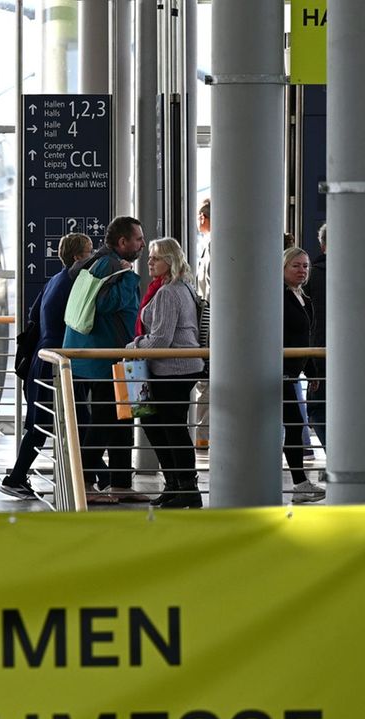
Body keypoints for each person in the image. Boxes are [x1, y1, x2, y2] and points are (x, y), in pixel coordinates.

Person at [0, 233, 90, 500]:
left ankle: (90, 477)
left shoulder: (54, 281)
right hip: (58, 361)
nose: (93, 255)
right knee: (72, 423)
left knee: (44, 422)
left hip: (42, 358)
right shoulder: (75, 283)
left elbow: (33, 314)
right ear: (78, 257)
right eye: (89, 251)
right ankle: (18, 478)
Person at [63, 216, 146, 503]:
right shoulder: (110, 265)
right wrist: (129, 277)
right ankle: (85, 483)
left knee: (122, 419)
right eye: (138, 239)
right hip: (104, 356)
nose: (142, 244)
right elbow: (106, 303)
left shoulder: (100, 262)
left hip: (114, 355)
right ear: (122, 242)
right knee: (105, 418)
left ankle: (120, 483)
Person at [125, 238, 205, 508]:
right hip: (174, 368)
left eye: (156, 258)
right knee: (158, 425)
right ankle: (174, 485)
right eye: (149, 257)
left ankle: (186, 487)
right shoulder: (181, 287)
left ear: (170, 261)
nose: (149, 261)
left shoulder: (169, 292)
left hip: (173, 370)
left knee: (171, 428)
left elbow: (161, 339)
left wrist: (132, 346)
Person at [281, 247, 326, 503]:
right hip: (279, 371)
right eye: (296, 266)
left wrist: (312, 372)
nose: (302, 271)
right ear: (283, 268)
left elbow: (305, 339)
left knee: (295, 423)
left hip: (293, 371)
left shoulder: (303, 298)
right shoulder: (279, 297)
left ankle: (300, 483)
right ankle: (299, 483)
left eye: (305, 266)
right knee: (295, 423)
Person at [305, 222, 328, 451]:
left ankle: (336, 455)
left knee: (318, 408)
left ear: (322, 246)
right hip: (360, 357)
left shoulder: (311, 276)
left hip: (319, 352)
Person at [192, 198, 212, 448]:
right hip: (208, 320)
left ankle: (203, 436)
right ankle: (202, 435)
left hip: (209, 321)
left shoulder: (213, 246)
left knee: (206, 381)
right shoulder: (209, 246)